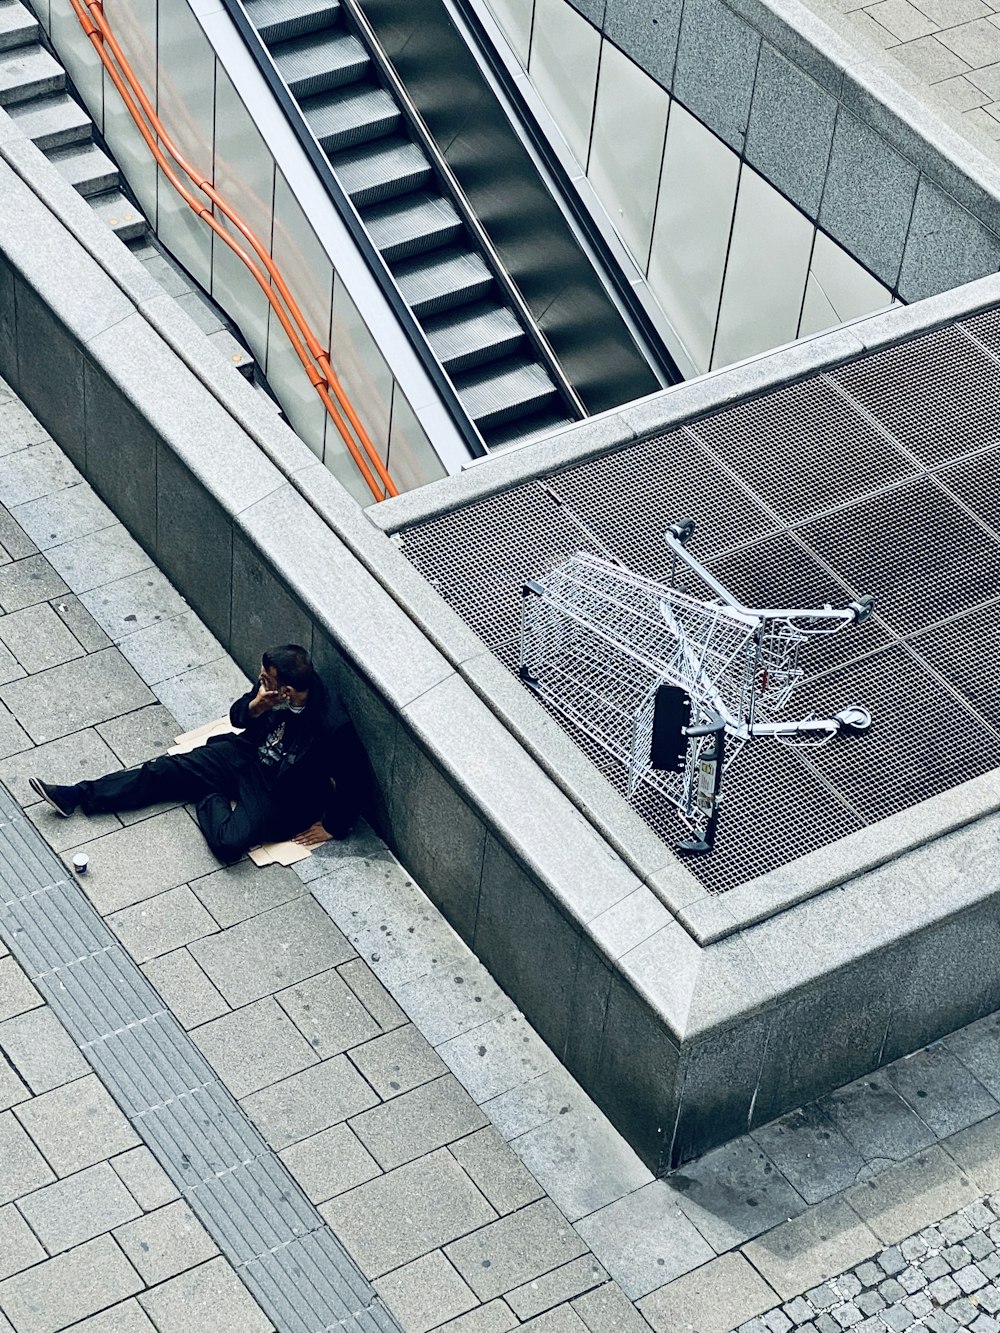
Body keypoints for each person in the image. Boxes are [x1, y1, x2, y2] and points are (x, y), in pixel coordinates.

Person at [30, 644, 363, 863]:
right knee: (161, 771)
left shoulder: (332, 725)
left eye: (265, 680)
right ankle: (78, 795)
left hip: (278, 791)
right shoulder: (269, 690)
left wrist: (334, 825)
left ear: (287, 690)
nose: (260, 682)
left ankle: (206, 791)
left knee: (229, 844)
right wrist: (254, 707)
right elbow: (237, 719)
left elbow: (355, 780)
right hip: (245, 755)